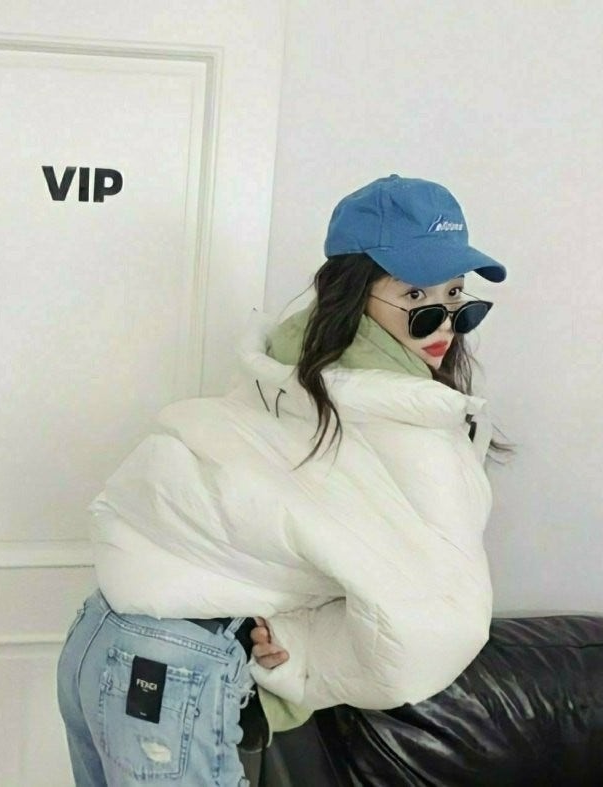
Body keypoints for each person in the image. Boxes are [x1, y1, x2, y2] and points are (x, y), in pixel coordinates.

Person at [56, 174, 512, 786]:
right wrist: (301, 653)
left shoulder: (285, 374)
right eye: (416, 294)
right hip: (177, 663)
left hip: (100, 637)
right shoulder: (407, 425)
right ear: (352, 294)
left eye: (457, 294)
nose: (445, 323)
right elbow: (436, 628)